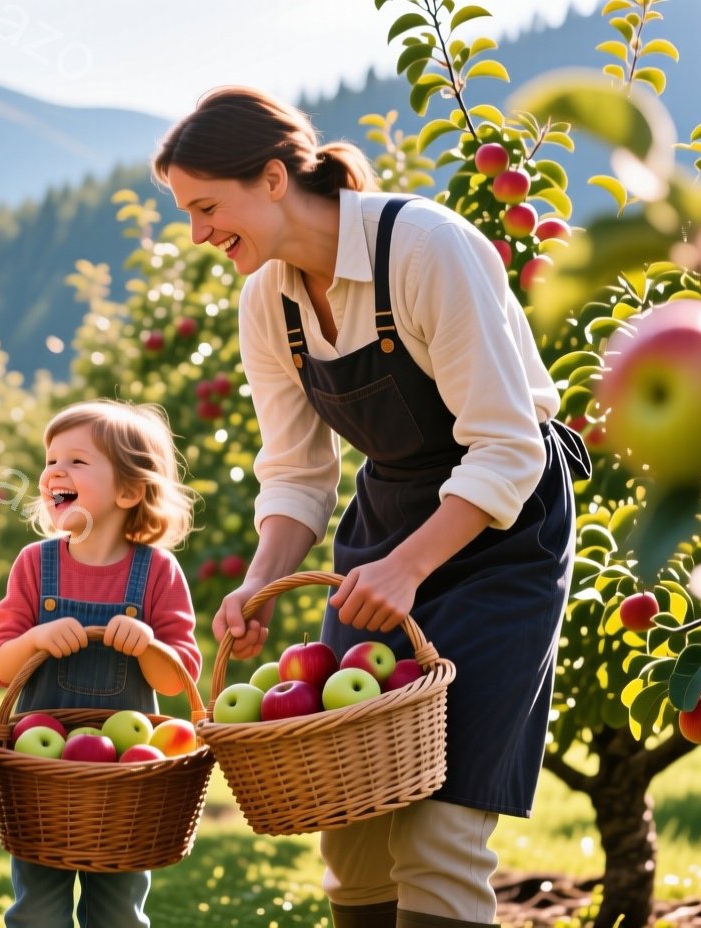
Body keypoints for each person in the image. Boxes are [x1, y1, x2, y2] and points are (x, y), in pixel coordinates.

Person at [156, 87, 590, 928]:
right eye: (189, 213)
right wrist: (258, 583)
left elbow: (508, 446)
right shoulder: (267, 303)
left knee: (440, 821)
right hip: (386, 520)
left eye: (208, 207)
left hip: (502, 529)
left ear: (274, 178)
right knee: (350, 812)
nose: (199, 234)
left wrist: (410, 566)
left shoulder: (425, 247)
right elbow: (296, 472)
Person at [0, 399, 203, 928]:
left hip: (127, 782)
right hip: (43, 777)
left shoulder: (157, 571)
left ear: (129, 490)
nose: (55, 471)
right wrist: (35, 638)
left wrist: (148, 644)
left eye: (77, 461)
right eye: (51, 459)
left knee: (118, 911)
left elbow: (177, 678)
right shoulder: (36, 564)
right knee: (37, 908)